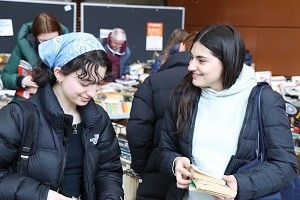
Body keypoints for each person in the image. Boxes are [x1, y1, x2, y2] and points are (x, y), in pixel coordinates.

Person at [157, 24, 298, 200]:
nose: (191, 66)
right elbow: (165, 150)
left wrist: (241, 184)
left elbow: (285, 166)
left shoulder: (265, 100)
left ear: (227, 61)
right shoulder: (182, 94)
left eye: (201, 60)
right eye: (191, 57)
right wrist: (175, 163)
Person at [0, 32, 124, 200]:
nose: (92, 92)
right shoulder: (18, 116)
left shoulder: (98, 118)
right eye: (85, 83)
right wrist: (44, 195)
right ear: (59, 73)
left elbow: (109, 169)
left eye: (97, 83)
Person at [126, 32, 197, 200]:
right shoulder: (215, 86)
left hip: (156, 172)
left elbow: (138, 130)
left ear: (181, 47)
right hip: (200, 180)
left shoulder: (153, 81)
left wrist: (142, 167)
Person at [1, 12, 69, 100]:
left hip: (57, 103)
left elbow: (74, 82)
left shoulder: (69, 47)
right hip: (26, 103)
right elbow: (5, 76)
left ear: (59, 34)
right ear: (35, 36)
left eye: (54, 39)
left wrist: (41, 91)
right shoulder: (23, 46)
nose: (49, 44)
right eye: (44, 41)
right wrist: (21, 80)